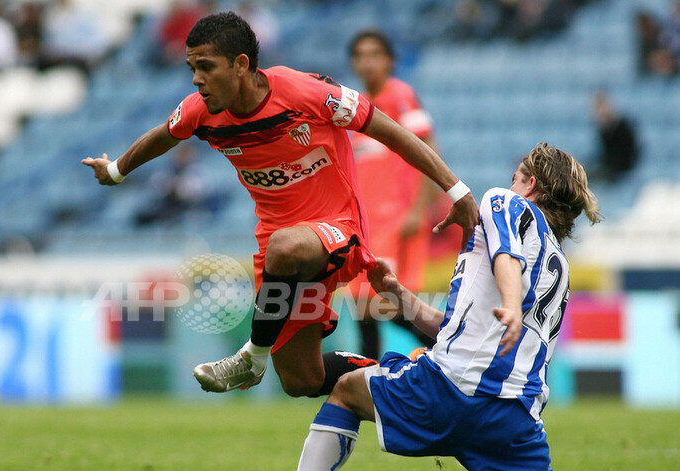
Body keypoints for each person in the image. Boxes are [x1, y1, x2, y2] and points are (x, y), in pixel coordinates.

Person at [232, 143, 672, 471]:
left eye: (519, 174)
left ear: (531, 183)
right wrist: (401, 297)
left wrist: (511, 304)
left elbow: (506, 258)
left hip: (454, 389)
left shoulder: (504, 202)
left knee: (347, 389)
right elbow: (456, 329)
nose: (512, 180)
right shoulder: (558, 262)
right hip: (514, 413)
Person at [82, 12, 479, 399]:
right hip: (281, 260)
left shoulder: (304, 93)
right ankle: (412, 373)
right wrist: (117, 169)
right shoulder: (201, 112)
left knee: (288, 247)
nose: (197, 79)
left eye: (206, 67)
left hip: (338, 228)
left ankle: (250, 358)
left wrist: (457, 192)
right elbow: (164, 135)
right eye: (192, 68)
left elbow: (394, 133)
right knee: (302, 379)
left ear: (241, 65)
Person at [347, 30, 442, 358]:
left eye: (375, 54)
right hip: (366, 225)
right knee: (362, 304)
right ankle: (367, 382)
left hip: (396, 218)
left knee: (383, 301)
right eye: (361, 55)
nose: (368, 62)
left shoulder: (401, 96)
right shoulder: (356, 106)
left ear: (389, 60)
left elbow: (428, 150)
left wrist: (419, 207)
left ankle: (451, 349)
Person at [590, 91, 638, 182]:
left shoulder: (623, 127)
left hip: (622, 171)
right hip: (608, 169)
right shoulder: (602, 130)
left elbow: (630, 155)